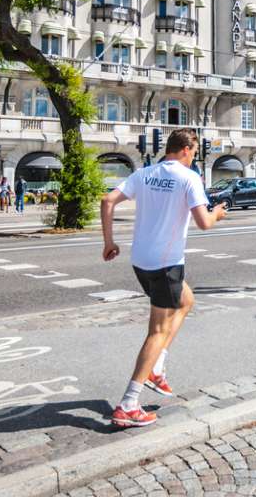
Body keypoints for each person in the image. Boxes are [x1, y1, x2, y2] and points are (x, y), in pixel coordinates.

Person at [100, 128, 228, 427]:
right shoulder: (189, 178)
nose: (194, 158)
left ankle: (157, 367)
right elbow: (204, 223)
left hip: (140, 261)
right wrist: (218, 214)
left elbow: (108, 201)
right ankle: (129, 404)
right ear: (185, 149)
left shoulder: (144, 173)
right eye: (194, 153)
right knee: (157, 331)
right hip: (166, 264)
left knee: (186, 300)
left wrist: (108, 243)